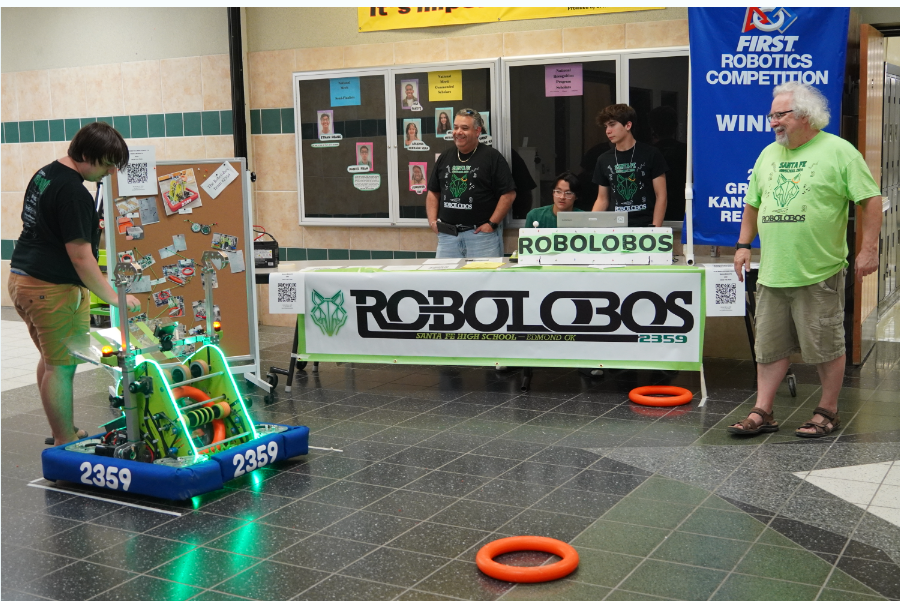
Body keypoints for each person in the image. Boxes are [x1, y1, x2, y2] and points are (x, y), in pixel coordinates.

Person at [729, 82, 882, 438]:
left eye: (780, 115)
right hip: (772, 272)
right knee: (768, 347)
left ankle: (827, 411)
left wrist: (869, 248)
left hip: (819, 271)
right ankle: (762, 411)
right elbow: (752, 203)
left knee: (826, 346)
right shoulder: (768, 154)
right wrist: (742, 244)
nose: (773, 123)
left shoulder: (839, 151)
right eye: (771, 116)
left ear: (806, 115)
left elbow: (870, 199)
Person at [7, 122, 142, 446]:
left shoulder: (46, 173)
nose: (110, 172)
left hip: (22, 280)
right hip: (51, 289)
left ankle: (61, 429)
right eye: (107, 164)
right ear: (85, 154)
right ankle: (63, 436)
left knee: (52, 361)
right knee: (62, 367)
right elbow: (81, 257)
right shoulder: (73, 192)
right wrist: (113, 297)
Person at [426, 108, 516, 258]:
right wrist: (433, 222)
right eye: (455, 127)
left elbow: (508, 194)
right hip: (448, 237)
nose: (458, 132)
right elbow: (433, 192)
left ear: (477, 131)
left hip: (481, 237)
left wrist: (492, 224)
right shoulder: (445, 157)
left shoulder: (492, 157)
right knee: (444, 280)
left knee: (485, 280)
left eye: (464, 128)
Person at [591, 104, 668, 227]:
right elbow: (602, 199)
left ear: (628, 125)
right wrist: (590, 227)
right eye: (606, 126)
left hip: (644, 225)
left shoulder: (650, 154)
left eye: (612, 124)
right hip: (613, 226)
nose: (608, 131)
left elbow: (661, 196)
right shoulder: (604, 159)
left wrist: (655, 230)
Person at [649, 105, 688, 222]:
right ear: (675, 126)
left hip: (658, 206)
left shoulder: (648, 152)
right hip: (681, 205)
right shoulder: (687, 151)